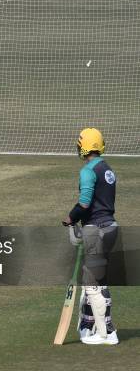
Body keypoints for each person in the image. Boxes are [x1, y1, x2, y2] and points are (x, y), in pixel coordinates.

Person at [62, 128, 118, 345]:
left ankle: (107, 333)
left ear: (82, 147)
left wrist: (70, 219)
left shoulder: (88, 170)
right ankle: (91, 325)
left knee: (91, 283)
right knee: (99, 280)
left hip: (96, 230)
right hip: (111, 227)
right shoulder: (107, 169)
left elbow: (85, 203)